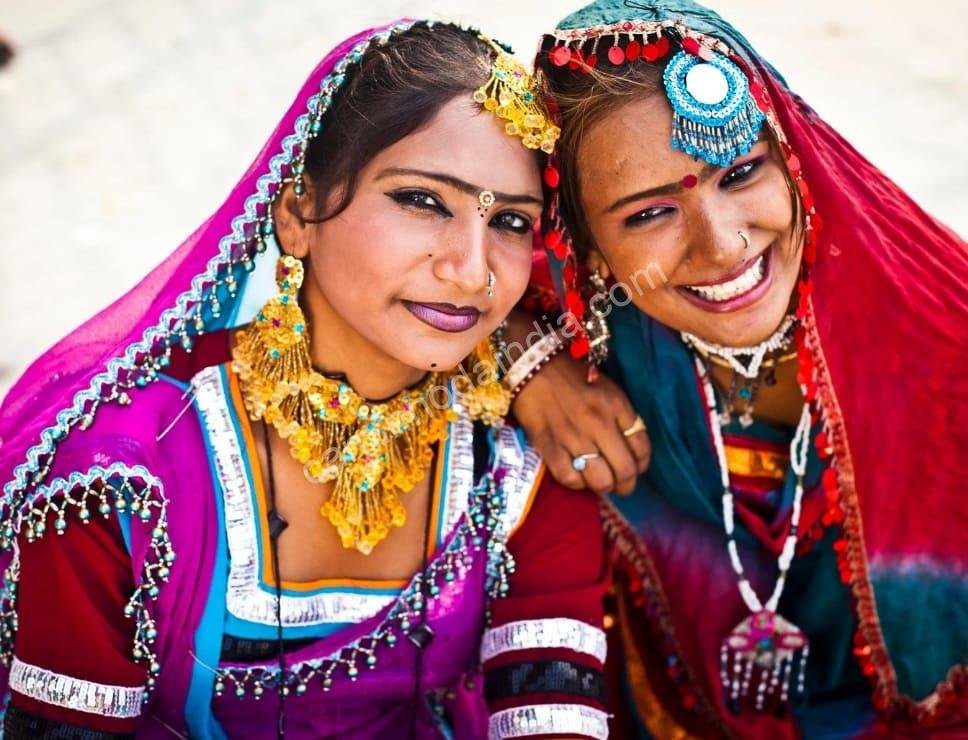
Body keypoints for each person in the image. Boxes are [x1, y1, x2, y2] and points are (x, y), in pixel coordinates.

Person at [0, 21, 612, 739]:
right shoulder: (123, 473)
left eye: (510, 221)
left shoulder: (520, 471)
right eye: (421, 200)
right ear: (295, 214)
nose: (473, 270)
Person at [505, 0, 967, 737]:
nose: (723, 248)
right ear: (583, 248)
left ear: (795, 156)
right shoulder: (572, 317)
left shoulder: (942, 333)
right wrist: (526, 360)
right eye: (648, 214)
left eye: (743, 170)